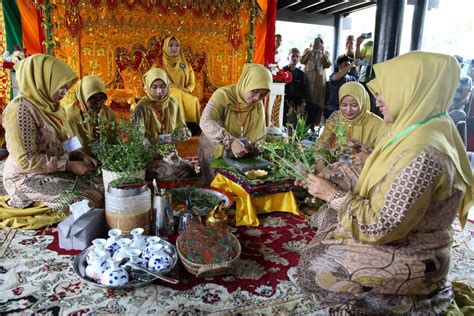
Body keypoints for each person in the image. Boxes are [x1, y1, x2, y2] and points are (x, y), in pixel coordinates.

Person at [296, 51, 473, 314]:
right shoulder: (417, 128)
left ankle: (406, 301)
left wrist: (332, 194)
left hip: (414, 251)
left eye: (386, 90)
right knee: (327, 223)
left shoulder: (423, 152)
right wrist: (330, 177)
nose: (377, 98)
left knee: (313, 271)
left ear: (412, 90)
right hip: (402, 232)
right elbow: (379, 178)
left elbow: (381, 225)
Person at [2, 54, 103, 214]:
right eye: (60, 87)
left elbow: (66, 138)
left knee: (102, 184)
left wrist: (80, 155)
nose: (64, 92)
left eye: (66, 87)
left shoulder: (54, 107)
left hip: (54, 167)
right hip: (26, 176)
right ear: (42, 81)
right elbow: (27, 161)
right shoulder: (20, 111)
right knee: (83, 199)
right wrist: (68, 165)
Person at [198, 63, 272, 185]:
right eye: (254, 91)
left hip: (242, 151)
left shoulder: (258, 105)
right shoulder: (223, 95)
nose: (256, 98)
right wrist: (230, 141)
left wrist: (258, 146)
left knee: (246, 183)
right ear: (246, 83)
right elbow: (205, 120)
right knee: (216, 185)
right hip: (216, 145)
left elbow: (259, 135)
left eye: (263, 94)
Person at [132, 68, 194, 181]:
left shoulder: (173, 104)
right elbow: (137, 137)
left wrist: (183, 133)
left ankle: (171, 172)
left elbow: (181, 128)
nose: (159, 91)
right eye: (154, 87)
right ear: (148, 87)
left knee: (190, 169)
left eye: (163, 86)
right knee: (170, 174)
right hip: (149, 156)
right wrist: (154, 151)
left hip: (169, 154)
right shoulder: (141, 108)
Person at [65, 75, 115, 156]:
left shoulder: (108, 113)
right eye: (93, 98)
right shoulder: (68, 116)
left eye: (102, 98)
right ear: (83, 96)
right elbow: (69, 148)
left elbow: (113, 143)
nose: (98, 103)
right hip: (78, 164)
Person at [162, 36, 201, 125]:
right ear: (165, 47)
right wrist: (169, 86)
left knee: (194, 100)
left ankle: (191, 128)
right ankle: (176, 126)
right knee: (175, 95)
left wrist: (185, 88)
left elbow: (192, 82)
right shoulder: (159, 64)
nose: (174, 48)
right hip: (166, 92)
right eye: (171, 45)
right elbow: (152, 79)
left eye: (177, 45)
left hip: (183, 91)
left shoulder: (185, 64)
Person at [300, 36, 332, 126]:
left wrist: (322, 52)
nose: (317, 45)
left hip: (319, 84)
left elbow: (328, 64)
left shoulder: (325, 53)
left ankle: (314, 126)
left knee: (318, 105)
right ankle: (302, 126)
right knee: (306, 103)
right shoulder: (308, 50)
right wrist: (310, 50)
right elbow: (302, 61)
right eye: (316, 43)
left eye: (320, 43)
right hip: (307, 82)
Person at [324, 55, 358, 119]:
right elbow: (336, 77)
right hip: (333, 106)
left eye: (349, 65)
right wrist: (350, 66)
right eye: (345, 65)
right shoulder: (333, 75)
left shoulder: (352, 78)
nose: (348, 67)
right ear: (339, 66)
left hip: (347, 107)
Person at [283, 48, 308, 126]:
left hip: (297, 104)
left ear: (299, 59)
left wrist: (303, 105)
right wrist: (287, 104)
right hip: (284, 103)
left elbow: (304, 91)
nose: (295, 58)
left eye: (297, 56)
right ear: (288, 57)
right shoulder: (282, 71)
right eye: (293, 56)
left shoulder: (302, 74)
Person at [448, 55, 472, 124]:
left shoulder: (465, 79)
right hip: (443, 110)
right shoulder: (446, 79)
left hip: (456, 109)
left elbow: (466, 99)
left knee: (460, 114)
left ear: (462, 66)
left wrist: (452, 107)